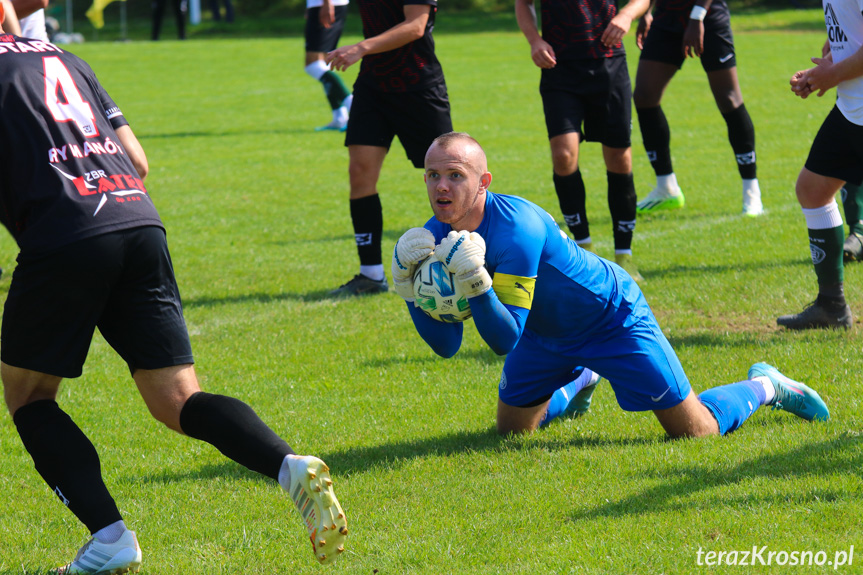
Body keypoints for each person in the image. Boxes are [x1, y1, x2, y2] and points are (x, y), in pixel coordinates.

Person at [0, 7, 346, 572]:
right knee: (178, 400)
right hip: (137, 221)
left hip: (66, 232)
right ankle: (289, 465)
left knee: (30, 396)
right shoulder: (65, 56)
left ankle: (110, 538)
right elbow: (137, 159)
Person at [393, 132, 829, 438]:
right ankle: (580, 378)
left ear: (483, 181)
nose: (441, 187)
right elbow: (447, 345)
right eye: (432, 176)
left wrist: (476, 284)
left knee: (696, 431)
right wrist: (410, 291)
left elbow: (504, 340)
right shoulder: (435, 235)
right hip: (543, 334)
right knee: (511, 433)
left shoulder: (516, 231)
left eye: (454, 174)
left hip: (609, 318)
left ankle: (769, 385)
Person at [324, 0, 452, 297]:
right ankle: (371, 275)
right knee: (360, 172)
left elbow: (415, 26)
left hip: (418, 85)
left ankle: (471, 260)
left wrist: (361, 47)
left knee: (447, 173)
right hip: (373, 86)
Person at [515, 0, 649, 281]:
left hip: (609, 64)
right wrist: (535, 40)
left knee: (619, 159)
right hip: (559, 68)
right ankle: (582, 248)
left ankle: (624, 255)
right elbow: (523, 3)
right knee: (564, 156)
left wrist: (626, 14)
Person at [632, 0, 763, 217]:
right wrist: (646, 11)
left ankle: (751, 190)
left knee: (728, 98)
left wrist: (698, 16)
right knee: (645, 95)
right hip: (667, 15)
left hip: (707, 15)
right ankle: (666, 187)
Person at [778, 0, 863, 330]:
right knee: (813, 190)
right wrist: (823, 69)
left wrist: (831, 73)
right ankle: (831, 305)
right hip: (851, 110)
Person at [305, 0, 352, 131]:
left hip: (327, 5)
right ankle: (339, 117)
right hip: (325, 5)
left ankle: (354, 107)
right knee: (324, 62)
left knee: (313, 65)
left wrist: (326, 3)